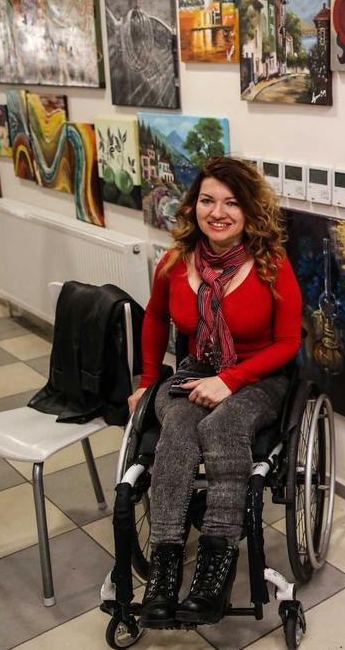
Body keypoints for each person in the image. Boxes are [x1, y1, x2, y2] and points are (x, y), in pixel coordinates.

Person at [129, 157, 302, 628]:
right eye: (208, 200)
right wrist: (147, 382)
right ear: (194, 206)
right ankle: (165, 568)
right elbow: (155, 318)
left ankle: (213, 567)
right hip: (196, 370)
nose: (218, 212)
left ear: (249, 210)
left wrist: (230, 380)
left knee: (223, 425)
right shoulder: (175, 262)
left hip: (260, 376)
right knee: (179, 428)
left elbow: (288, 343)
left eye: (231, 203)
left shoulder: (270, 264)